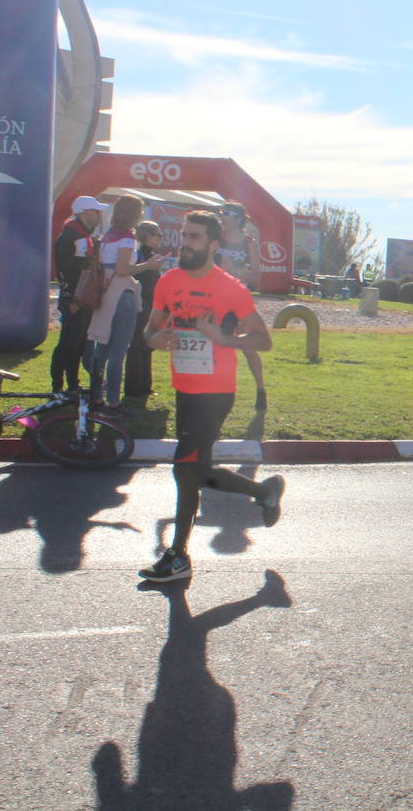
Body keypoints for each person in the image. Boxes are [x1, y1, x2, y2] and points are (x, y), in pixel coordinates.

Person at [139, 210, 286, 582]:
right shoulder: (168, 282)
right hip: (184, 389)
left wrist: (225, 340)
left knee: (184, 468)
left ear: (213, 244)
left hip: (216, 392)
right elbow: (150, 330)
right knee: (196, 471)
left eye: (195, 237)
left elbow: (263, 340)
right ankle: (262, 492)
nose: (185, 243)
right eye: (184, 235)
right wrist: (155, 340)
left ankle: (178, 555)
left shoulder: (230, 288)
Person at [85, 194, 165, 414]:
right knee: (118, 351)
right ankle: (113, 401)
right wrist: (148, 266)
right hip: (122, 293)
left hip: (104, 292)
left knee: (101, 347)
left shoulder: (106, 236)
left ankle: (96, 395)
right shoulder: (127, 238)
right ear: (134, 214)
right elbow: (123, 269)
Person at [214, 202, 269, 410]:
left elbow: (256, 278)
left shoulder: (249, 243)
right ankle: (217, 393)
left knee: (247, 347)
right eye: (220, 213)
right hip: (215, 299)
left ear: (238, 218)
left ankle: (260, 389)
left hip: (238, 299)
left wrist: (235, 269)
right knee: (217, 344)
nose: (221, 216)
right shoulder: (216, 238)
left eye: (225, 213)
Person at [50, 195, 104, 394]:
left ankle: (73, 383)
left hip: (84, 299)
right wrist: (71, 298)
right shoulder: (69, 236)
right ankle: (57, 385)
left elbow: (85, 267)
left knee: (79, 343)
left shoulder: (85, 236)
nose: (99, 216)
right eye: (96, 212)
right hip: (74, 299)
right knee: (67, 343)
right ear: (85, 213)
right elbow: (64, 272)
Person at [123, 221, 166, 400]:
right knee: (138, 346)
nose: (160, 238)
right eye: (158, 235)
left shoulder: (149, 256)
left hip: (149, 305)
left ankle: (144, 386)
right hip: (141, 305)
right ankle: (134, 388)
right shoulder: (140, 256)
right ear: (147, 237)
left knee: (146, 346)